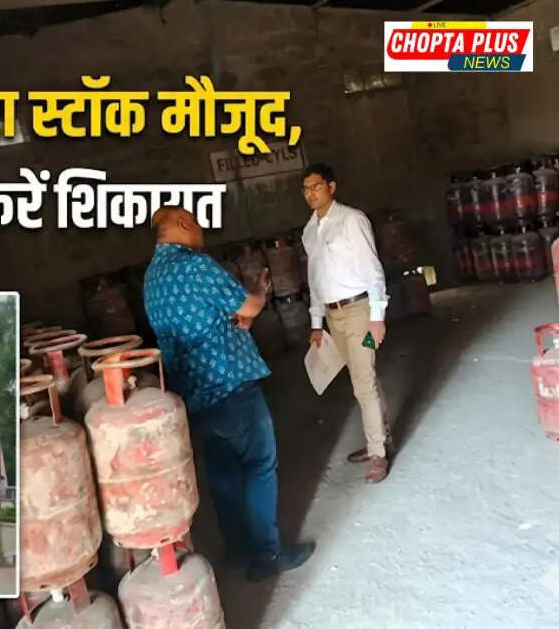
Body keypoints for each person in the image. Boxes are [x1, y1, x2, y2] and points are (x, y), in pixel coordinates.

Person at [143, 205, 315, 582]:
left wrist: (241, 315)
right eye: (197, 222)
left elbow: (221, 316)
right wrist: (258, 292)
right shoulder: (195, 266)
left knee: (222, 471)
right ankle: (267, 554)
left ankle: (236, 546)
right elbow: (248, 306)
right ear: (183, 224)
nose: (201, 230)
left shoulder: (153, 277)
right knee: (259, 465)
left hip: (193, 392)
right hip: (230, 383)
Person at [301, 163, 394, 484]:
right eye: (306, 189)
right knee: (361, 376)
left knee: (363, 382)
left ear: (332, 187)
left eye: (316, 186)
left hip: (358, 311)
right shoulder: (309, 231)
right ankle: (380, 438)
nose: (311, 194)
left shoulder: (352, 220)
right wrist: (316, 323)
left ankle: (378, 453)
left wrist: (377, 317)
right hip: (331, 314)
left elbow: (373, 270)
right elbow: (314, 280)